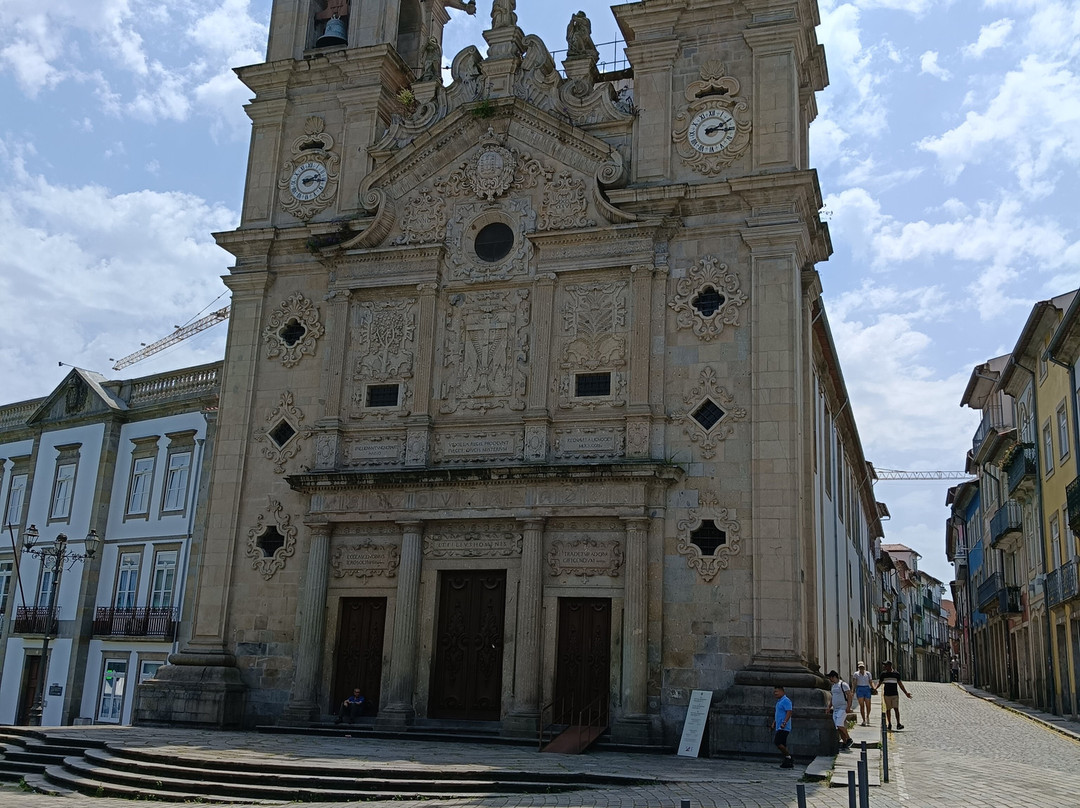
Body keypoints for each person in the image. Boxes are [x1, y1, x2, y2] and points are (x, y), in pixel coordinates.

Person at [874, 660, 912, 730]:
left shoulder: (896, 674)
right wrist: (875, 688)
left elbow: (900, 684)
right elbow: (879, 682)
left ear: (889, 666)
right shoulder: (883, 674)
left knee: (896, 709)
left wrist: (906, 693)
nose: (884, 667)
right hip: (886, 695)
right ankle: (889, 723)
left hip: (894, 694)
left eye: (886, 665)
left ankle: (898, 723)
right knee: (888, 709)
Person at [826, 670, 854, 750]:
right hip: (835, 709)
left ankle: (849, 739)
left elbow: (849, 695)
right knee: (838, 727)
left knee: (839, 724)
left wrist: (848, 707)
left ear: (834, 677)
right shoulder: (833, 686)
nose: (830, 679)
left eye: (830, 677)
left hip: (842, 708)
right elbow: (833, 697)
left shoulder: (843, 684)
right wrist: (829, 707)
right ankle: (845, 742)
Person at [770, 685, 794, 769]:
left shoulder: (786, 700)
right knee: (782, 744)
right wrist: (774, 723)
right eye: (774, 692)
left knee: (778, 742)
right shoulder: (779, 702)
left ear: (782, 691)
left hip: (784, 727)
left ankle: (789, 757)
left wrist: (784, 722)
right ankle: (787, 760)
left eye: (777, 691)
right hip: (779, 726)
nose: (775, 693)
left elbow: (789, 712)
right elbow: (778, 714)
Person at [851, 661, 874, 726]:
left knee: (868, 705)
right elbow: (854, 682)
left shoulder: (868, 674)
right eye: (860, 667)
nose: (861, 668)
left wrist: (873, 688)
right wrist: (853, 690)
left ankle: (867, 716)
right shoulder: (856, 674)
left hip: (867, 689)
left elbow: (870, 681)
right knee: (862, 705)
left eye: (862, 667)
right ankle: (863, 720)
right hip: (859, 689)